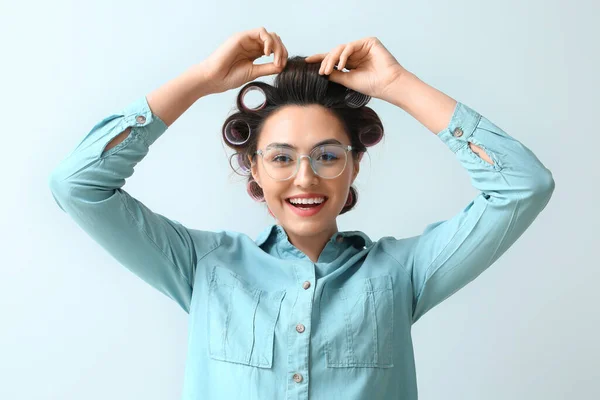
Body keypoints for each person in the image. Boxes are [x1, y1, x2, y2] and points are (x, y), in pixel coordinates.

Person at [48, 27, 555, 400]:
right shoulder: (203, 266)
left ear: (355, 164)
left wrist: (397, 84)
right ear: (254, 166)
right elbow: (78, 185)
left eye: (328, 155)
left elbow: (522, 186)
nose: (305, 178)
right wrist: (203, 80)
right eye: (282, 157)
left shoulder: (402, 274)